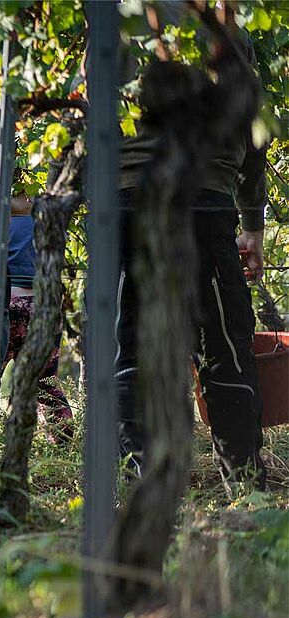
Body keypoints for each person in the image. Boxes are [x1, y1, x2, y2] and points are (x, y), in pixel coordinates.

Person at [115, 31, 268, 491]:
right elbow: (252, 128)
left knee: (132, 339)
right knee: (224, 343)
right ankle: (243, 484)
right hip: (204, 204)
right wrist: (253, 227)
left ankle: (140, 483)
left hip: (128, 205)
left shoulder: (120, 27)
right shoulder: (225, 31)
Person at [3, 194, 74, 440]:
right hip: (45, 307)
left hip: (9, 305)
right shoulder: (50, 208)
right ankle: (63, 439)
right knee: (44, 380)